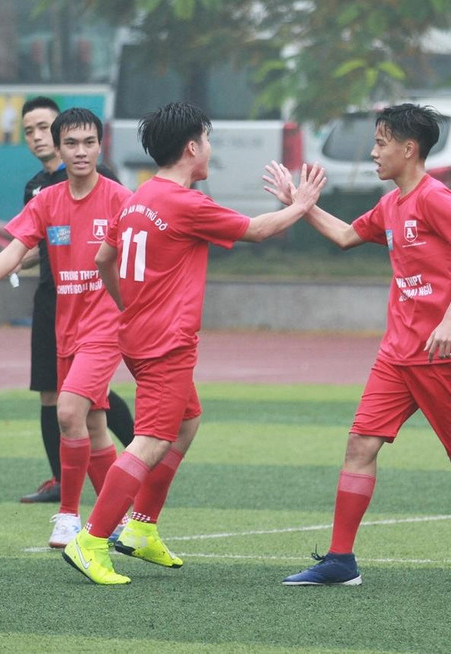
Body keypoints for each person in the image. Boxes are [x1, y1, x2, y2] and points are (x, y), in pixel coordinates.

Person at [268, 103, 451, 587]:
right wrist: (300, 206)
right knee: (360, 444)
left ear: (409, 149)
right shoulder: (391, 204)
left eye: (380, 143)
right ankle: (341, 560)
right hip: (397, 353)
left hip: (442, 355)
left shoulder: (435, 198)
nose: (373, 152)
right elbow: (345, 235)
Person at [61, 101, 326, 585]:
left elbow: (103, 259)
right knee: (151, 440)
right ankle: (92, 539)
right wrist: (302, 204)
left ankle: (141, 528)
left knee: (186, 422)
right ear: (190, 147)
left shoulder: (139, 196)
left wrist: (131, 304)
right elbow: (256, 231)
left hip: (139, 336)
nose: (209, 149)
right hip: (166, 343)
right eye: (207, 141)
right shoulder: (186, 203)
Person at [0, 108, 133, 549]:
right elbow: (15, 249)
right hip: (65, 327)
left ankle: (69, 517)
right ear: (60, 148)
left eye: (89, 142)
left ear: (100, 146)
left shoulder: (120, 199)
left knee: (67, 412)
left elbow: (149, 253)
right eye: (71, 143)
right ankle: (118, 519)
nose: (81, 151)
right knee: (93, 424)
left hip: (105, 327)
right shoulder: (47, 201)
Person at [17, 96, 135, 505]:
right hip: (53, 300)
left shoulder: (106, 184)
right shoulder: (38, 189)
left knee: (77, 401)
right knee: (56, 395)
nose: (37, 137)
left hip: (98, 306)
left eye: (42, 127)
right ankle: (77, 488)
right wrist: (0, 269)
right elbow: (36, 243)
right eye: (29, 130)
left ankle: (135, 458)